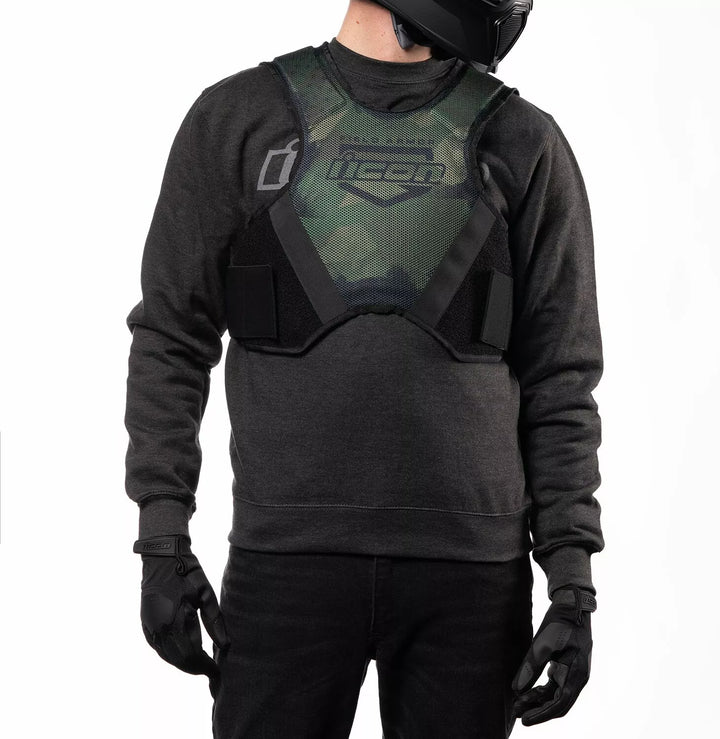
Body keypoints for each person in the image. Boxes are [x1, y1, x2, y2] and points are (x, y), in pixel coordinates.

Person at [123, 1, 605, 736]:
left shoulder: (523, 140)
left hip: (472, 582)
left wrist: (571, 582)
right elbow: (170, 336)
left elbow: (561, 376)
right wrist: (162, 537)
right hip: (286, 565)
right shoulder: (240, 120)